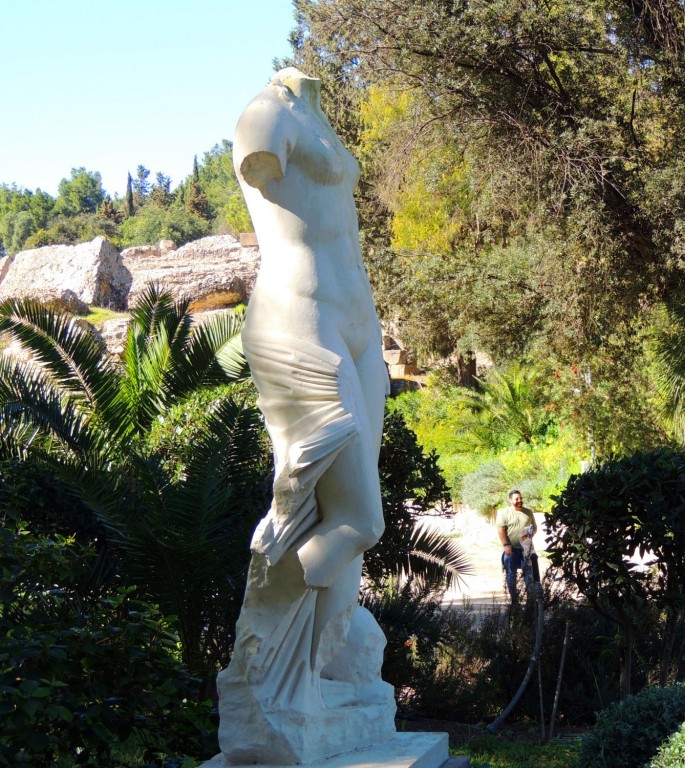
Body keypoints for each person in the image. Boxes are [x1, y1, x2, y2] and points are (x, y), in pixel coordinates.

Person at [216, 67, 394, 764]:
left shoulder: (318, 116)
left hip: (357, 326)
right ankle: (265, 653)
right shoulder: (265, 114)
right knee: (359, 517)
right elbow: (263, 169)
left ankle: (314, 674)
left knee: (344, 517)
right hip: (299, 320)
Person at [496, 489, 538, 606]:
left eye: (520, 498)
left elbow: (534, 528)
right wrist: (506, 545)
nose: (520, 500)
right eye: (517, 499)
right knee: (511, 574)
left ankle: (530, 601)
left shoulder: (528, 512)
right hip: (511, 549)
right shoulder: (503, 513)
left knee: (529, 573)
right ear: (510, 500)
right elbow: (501, 530)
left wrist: (530, 534)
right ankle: (515, 600)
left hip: (526, 549)